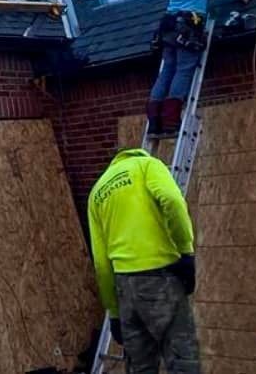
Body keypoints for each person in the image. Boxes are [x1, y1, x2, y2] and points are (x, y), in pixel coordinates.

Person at [88, 147, 199, 374]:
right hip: (160, 279)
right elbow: (171, 199)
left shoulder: (97, 191)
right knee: (183, 361)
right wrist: (185, 251)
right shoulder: (147, 166)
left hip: (125, 289)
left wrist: (115, 313)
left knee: (140, 367)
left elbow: (101, 264)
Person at [148, 0, 252, 136]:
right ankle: (170, 121)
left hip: (169, 25)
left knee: (168, 69)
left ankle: (154, 122)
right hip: (188, 25)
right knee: (184, 69)